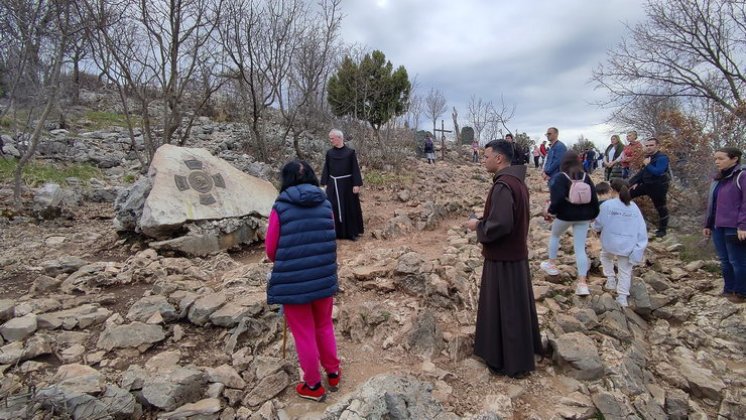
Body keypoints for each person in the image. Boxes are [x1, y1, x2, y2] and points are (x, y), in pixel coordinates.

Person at [465, 139, 543, 378]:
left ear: (499, 158)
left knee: (506, 310)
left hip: (503, 259)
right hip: (515, 257)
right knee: (514, 309)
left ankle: (506, 362)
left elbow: (501, 224)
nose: (484, 159)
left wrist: (477, 224)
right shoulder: (517, 182)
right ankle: (518, 356)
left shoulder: (503, 185)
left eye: (487, 155)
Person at [265, 160, 341, 402]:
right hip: (323, 277)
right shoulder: (325, 203)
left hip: (294, 281)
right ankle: (334, 373)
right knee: (324, 325)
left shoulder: (281, 206)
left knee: (304, 333)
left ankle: (312, 385)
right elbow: (330, 237)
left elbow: (270, 250)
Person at [541, 151, 600, 296]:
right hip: (584, 217)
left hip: (565, 216)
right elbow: (594, 198)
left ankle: (552, 264)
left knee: (555, 236)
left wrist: (551, 212)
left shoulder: (561, 177)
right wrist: (593, 215)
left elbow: (557, 200)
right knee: (580, 248)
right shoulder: (586, 177)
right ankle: (582, 283)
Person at [593, 179, 648, 307]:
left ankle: (611, 279)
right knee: (625, 271)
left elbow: (598, 224)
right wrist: (639, 247)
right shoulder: (634, 207)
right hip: (628, 244)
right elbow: (641, 229)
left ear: (612, 190)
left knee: (605, 256)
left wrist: (597, 230)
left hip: (610, 242)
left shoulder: (607, 205)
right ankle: (622, 298)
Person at [703, 147, 746, 303]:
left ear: (734, 159)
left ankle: (741, 293)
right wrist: (708, 224)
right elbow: (712, 204)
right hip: (717, 225)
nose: (717, 162)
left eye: (721, 158)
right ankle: (728, 290)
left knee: (738, 260)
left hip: (735, 226)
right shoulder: (718, 178)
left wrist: (743, 225)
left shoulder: (742, 176)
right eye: (715, 158)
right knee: (725, 260)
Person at [321, 129, 364, 240]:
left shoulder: (350, 152)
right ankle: (335, 232)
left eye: (332, 138)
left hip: (347, 185)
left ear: (339, 138)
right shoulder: (329, 153)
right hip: (333, 184)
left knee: (350, 207)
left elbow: (355, 169)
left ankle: (351, 232)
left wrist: (356, 184)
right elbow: (327, 168)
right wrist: (324, 183)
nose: (330, 140)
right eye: (330, 138)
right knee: (333, 207)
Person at [629, 137, 670, 238]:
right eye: (647, 145)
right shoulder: (648, 157)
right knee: (626, 196)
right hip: (646, 185)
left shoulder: (662, 157)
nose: (648, 147)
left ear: (657, 146)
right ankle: (629, 221)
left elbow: (658, 172)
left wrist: (647, 165)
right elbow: (643, 173)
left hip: (659, 186)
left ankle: (662, 230)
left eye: (651, 145)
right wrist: (632, 183)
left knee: (661, 207)